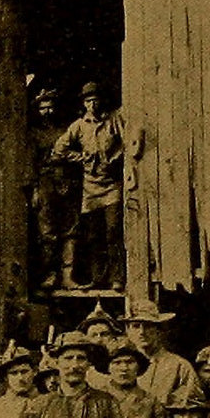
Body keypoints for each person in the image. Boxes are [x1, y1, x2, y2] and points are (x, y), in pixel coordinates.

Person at [50, 83, 129, 290]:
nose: (92, 104)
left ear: (101, 100)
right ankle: (98, 278)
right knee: (94, 235)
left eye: (95, 100)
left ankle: (117, 278)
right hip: (90, 188)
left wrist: (115, 158)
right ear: (83, 104)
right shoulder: (79, 126)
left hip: (111, 185)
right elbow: (58, 149)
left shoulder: (113, 120)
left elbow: (127, 142)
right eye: (87, 101)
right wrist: (80, 157)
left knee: (113, 231)